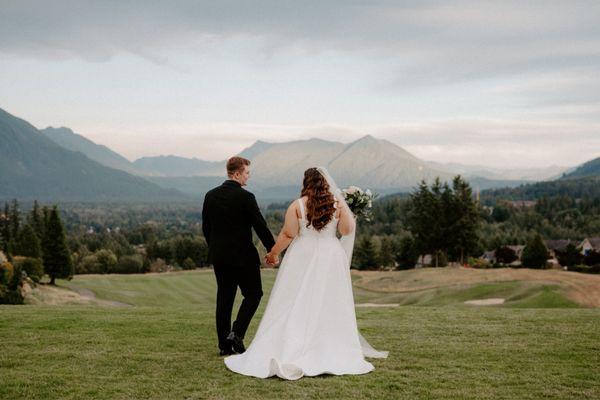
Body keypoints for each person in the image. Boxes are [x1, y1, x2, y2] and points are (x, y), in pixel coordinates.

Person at [224, 167, 387, 380]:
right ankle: (328, 347)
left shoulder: (297, 205)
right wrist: (346, 209)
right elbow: (347, 231)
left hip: (303, 254)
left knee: (293, 299)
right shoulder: (337, 205)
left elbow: (288, 234)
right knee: (329, 301)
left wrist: (273, 253)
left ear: (306, 182)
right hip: (330, 256)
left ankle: (292, 344)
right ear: (326, 183)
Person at [202, 156, 276, 356]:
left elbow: (206, 228)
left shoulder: (210, 196)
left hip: (220, 257)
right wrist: (273, 250)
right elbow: (261, 227)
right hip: (244, 257)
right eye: (246, 173)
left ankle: (224, 346)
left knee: (224, 299)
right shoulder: (246, 197)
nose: (248, 177)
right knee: (254, 294)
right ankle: (237, 333)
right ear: (236, 174)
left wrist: (216, 249)